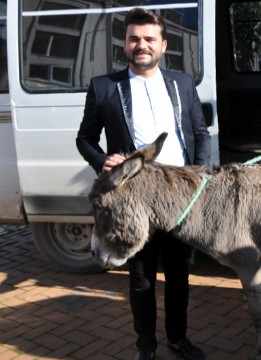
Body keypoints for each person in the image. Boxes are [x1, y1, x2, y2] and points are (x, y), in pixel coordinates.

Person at [76, 8, 209, 360]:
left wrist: (204, 173)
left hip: (180, 197)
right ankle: (145, 346)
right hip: (134, 201)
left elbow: (199, 133)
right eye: (135, 38)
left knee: (179, 275)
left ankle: (178, 339)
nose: (142, 45)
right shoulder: (104, 87)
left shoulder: (183, 83)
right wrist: (101, 159)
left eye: (150, 39)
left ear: (163, 44)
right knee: (142, 278)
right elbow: (85, 138)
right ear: (125, 43)